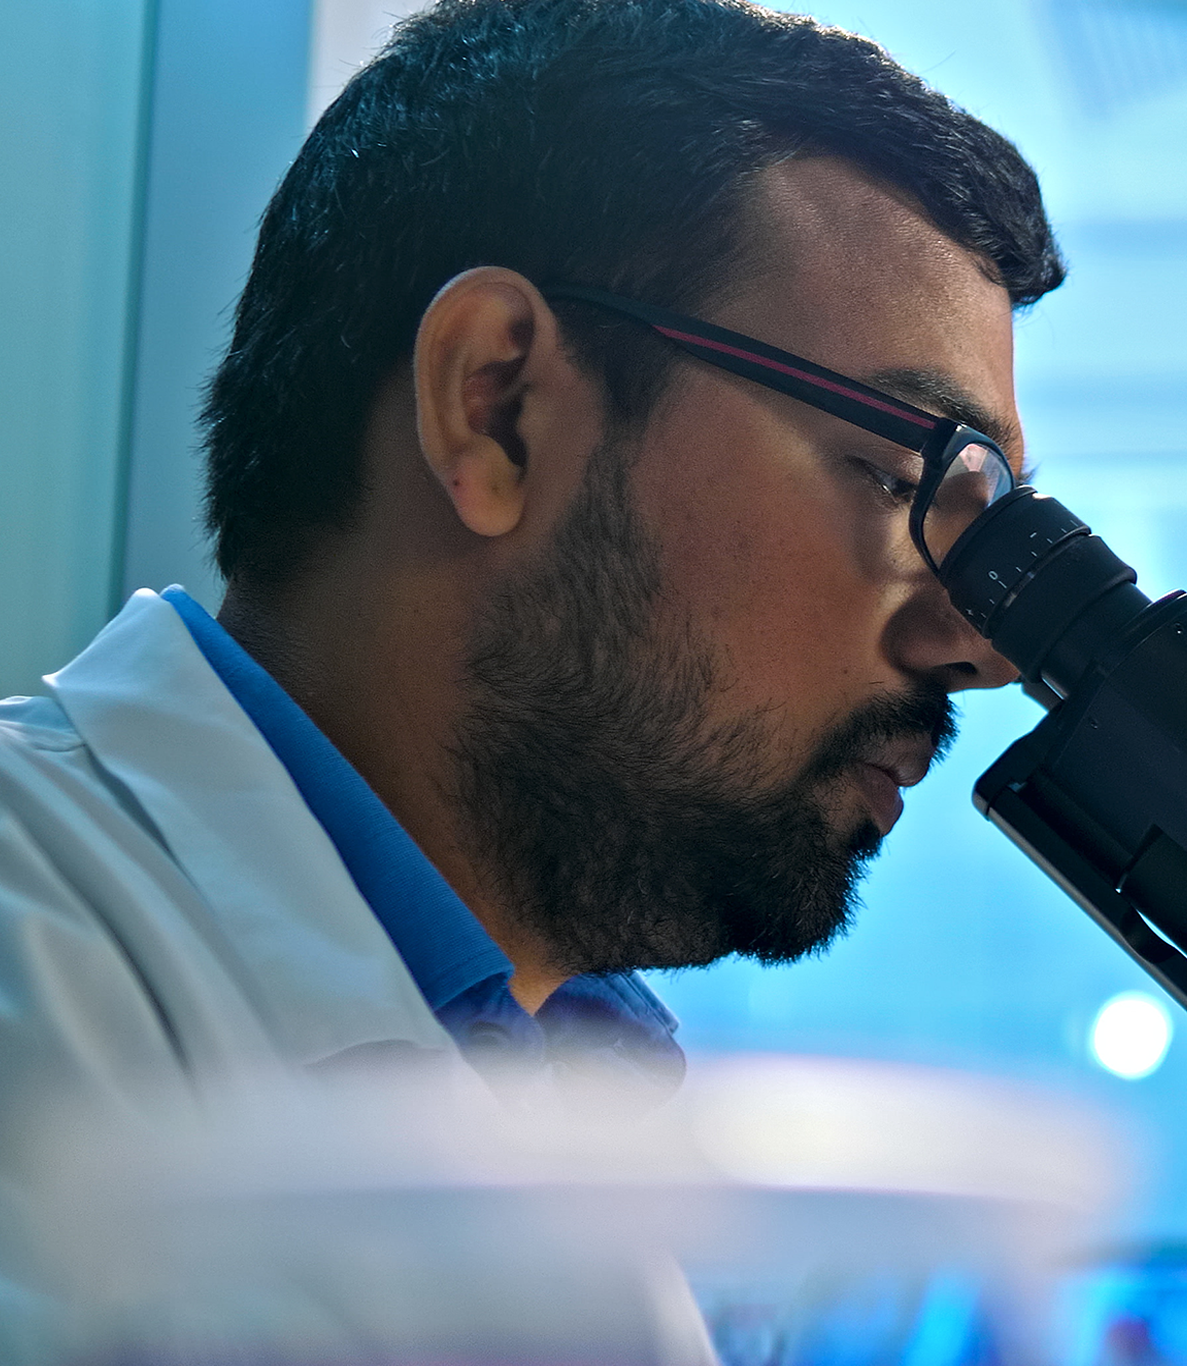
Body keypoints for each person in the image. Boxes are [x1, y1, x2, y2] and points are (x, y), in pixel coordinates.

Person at [0, 0, 1062, 1340]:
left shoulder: (574, 1108)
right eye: (906, 480)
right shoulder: (38, 965)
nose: (976, 648)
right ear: (496, 404)